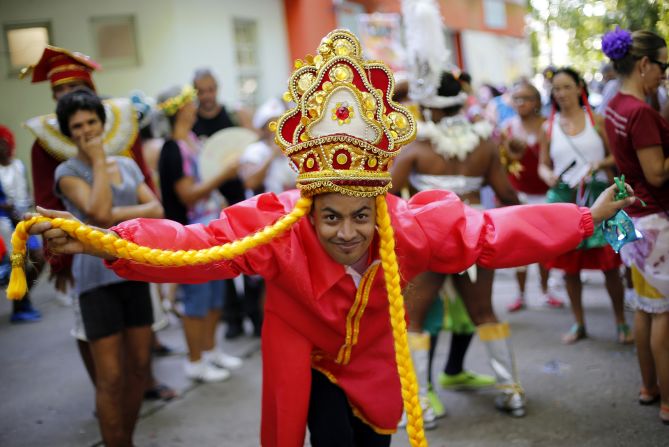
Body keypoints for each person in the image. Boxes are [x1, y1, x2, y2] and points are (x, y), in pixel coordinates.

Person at [24, 30, 635, 447]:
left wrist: (586, 219)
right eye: (331, 218)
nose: (348, 232)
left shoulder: (404, 226)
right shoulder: (278, 226)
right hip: (302, 357)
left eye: (360, 217)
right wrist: (105, 242)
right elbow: (194, 245)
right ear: (309, 209)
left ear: (378, 207)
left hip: (373, 360)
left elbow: (492, 231)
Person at [390, 71, 522, 419]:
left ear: (430, 108)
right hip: (474, 233)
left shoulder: (417, 146)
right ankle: (512, 393)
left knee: (413, 319)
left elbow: (386, 191)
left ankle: (418, 408)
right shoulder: (485, 144)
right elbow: (507, 193)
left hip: (430, 236)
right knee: (484, 312)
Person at [53, 89, 163, 447]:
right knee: (111, 377)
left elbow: (157, 210)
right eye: (77, 125)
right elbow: (98, 211)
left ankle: (125, 441)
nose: (86, 130)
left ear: (102, 122)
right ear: (69, 133)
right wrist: (99, 161)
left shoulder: (129, 165)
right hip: (95, 282)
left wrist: (111, 221)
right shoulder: (67, 172)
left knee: (137, 368)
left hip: (134, 271)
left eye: (91, 122)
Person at [601, 28, 669, 425]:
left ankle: (649, 387)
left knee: (646, 307)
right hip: (655, 220)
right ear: (644, 64)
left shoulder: (615, 104)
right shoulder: (639, 111)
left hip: (632, 217)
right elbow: (657, 173)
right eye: (662, 65)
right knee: (664, 315)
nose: (663, 74)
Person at [538, 66, 632, 344]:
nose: (562, 93)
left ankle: (621, 322)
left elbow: (617, 157)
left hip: (598, 197)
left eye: (567, 87)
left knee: (610, 264)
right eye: (556, 89)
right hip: (564, 200)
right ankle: (578, 323)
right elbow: (543, 165)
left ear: (580, 87)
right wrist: (548, 176)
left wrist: (598, 165)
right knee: (569, 268)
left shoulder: (598, 120)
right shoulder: (549, 126)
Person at [156, 85, 243, 382]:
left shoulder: (191, 141)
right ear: (181, 110)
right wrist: (224, 174)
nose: (196, 107)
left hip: (210, 230)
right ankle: (195, 361)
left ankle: (210, 351)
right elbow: (188, 196)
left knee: (215, 295)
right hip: (188, 236)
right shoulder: (172, 149)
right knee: (196, 300)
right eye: (191, 103)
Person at [192, 68, 258, 339]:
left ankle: (257, 315)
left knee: (250, 254)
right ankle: (232, 317)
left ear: (217, 88)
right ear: (195, 92)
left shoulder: (234, 115)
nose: (207, 96)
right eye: (201, 91)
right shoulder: (191, 124)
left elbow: (255, 145)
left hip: (241, 195)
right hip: (210, 202)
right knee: (220, 258)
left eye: (211, 90)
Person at [501, 81, 563, 311]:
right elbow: (502, 165)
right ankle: (521, 294)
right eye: (516, 98)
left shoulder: (549, 126)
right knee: (518, 248)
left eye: (525, 98)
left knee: (544, 246)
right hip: (518, 196)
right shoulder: (507, 127)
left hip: (545, 195)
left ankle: (546, 291)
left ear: (537, 102)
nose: (520, 103)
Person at [0, 125, 45, 323]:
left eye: (2, 143)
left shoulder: (19, 165)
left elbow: (25, 191)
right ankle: (21, 306)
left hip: (25, 218)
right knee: (17, 263)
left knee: (39, 257)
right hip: (5, 224)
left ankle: (20, 297)